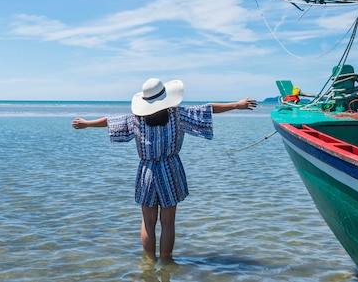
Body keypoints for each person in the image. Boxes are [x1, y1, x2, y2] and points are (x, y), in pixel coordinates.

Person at [71, 78, 257, 261]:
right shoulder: (178, 115)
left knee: (148, 222)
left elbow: (109, 121)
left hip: (147, 170)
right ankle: (167, 263)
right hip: (171, 169)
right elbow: (208, 109)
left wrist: (87, 124)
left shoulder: (136, 119)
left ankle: (149, 263)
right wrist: (237, 105)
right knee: (168, 223)